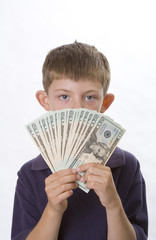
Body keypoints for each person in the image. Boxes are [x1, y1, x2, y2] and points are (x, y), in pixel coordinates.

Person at [11, 42, 148, 240]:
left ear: (105, 103)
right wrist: (53, 210)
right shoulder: (29, 174)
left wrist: (112, 203)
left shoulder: (127, 167)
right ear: (45, 100)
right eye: (64, 96)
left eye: (90, 97)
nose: (77, 108)